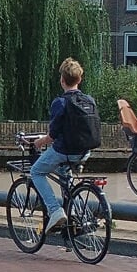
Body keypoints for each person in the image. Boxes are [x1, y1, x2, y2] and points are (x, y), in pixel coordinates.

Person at [31, 58, 100, 233]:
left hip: (65, 151)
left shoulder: (60, 102)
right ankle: (76, 217)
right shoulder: (89, 100)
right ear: (80, 79)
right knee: (65, 177)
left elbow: (53, 136)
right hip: (85, 152)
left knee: (36, 171)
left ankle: (55, 211)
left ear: (62, 80)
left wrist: (39, 142)